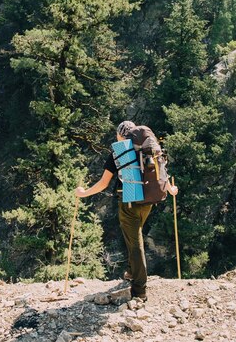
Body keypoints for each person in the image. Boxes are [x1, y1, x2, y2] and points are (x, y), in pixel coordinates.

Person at [74, 121, 178, 301]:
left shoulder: (120, 152)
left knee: (135, 243)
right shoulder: (149, 148)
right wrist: (170, 190)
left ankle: (140, 290)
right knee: (134, 238)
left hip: (129, 202)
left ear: (121, 135)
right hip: (148, 201)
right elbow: (161, 172)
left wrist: (84, 193)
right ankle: (131, 272)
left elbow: (103, 183)